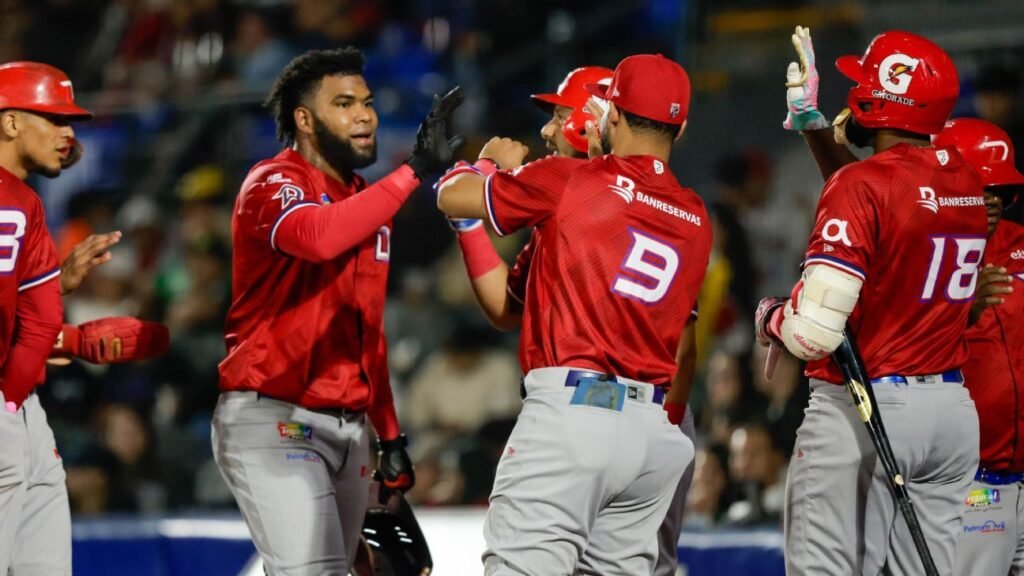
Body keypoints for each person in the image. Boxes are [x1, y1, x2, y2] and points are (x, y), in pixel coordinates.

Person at [437, 53, 710, 575]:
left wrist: (487, 163)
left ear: (608, 114)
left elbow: (453, 196)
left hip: (576, 415)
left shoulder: (566, 183)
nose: (548, 127)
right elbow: (504, 307)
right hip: (650, 432)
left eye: (562, 115)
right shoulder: (694, 213)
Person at [211, 47, 462, 575]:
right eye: (344, 103)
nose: (364, 115)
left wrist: (389, 434)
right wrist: (413, 171)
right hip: (275, 416)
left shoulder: (366, 199)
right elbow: (319, 237)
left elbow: (367, 328)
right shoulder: (273, 181)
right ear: (305, 119)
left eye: (367, 102)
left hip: (350, 432)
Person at [755, 30, 985, 575]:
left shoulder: (862, 185)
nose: (850, 93)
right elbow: (890, 197)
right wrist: (814, 129)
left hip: (868, 405)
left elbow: (814, 333)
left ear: (885, 99)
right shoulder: (967, 184)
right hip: (950, 415)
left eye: (862, 82)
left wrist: (770, 317)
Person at [0, 61, 94, 575]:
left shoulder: (26, 202)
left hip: (21, 408)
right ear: (10, 122)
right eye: (54, 118)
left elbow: (33, 319)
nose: (68, 132)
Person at [931, 118, 1024, 576]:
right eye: (978, 186)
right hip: (973, 484)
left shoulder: (1021, 245)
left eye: (1000, 191)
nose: (990, 200)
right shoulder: (920, 254)